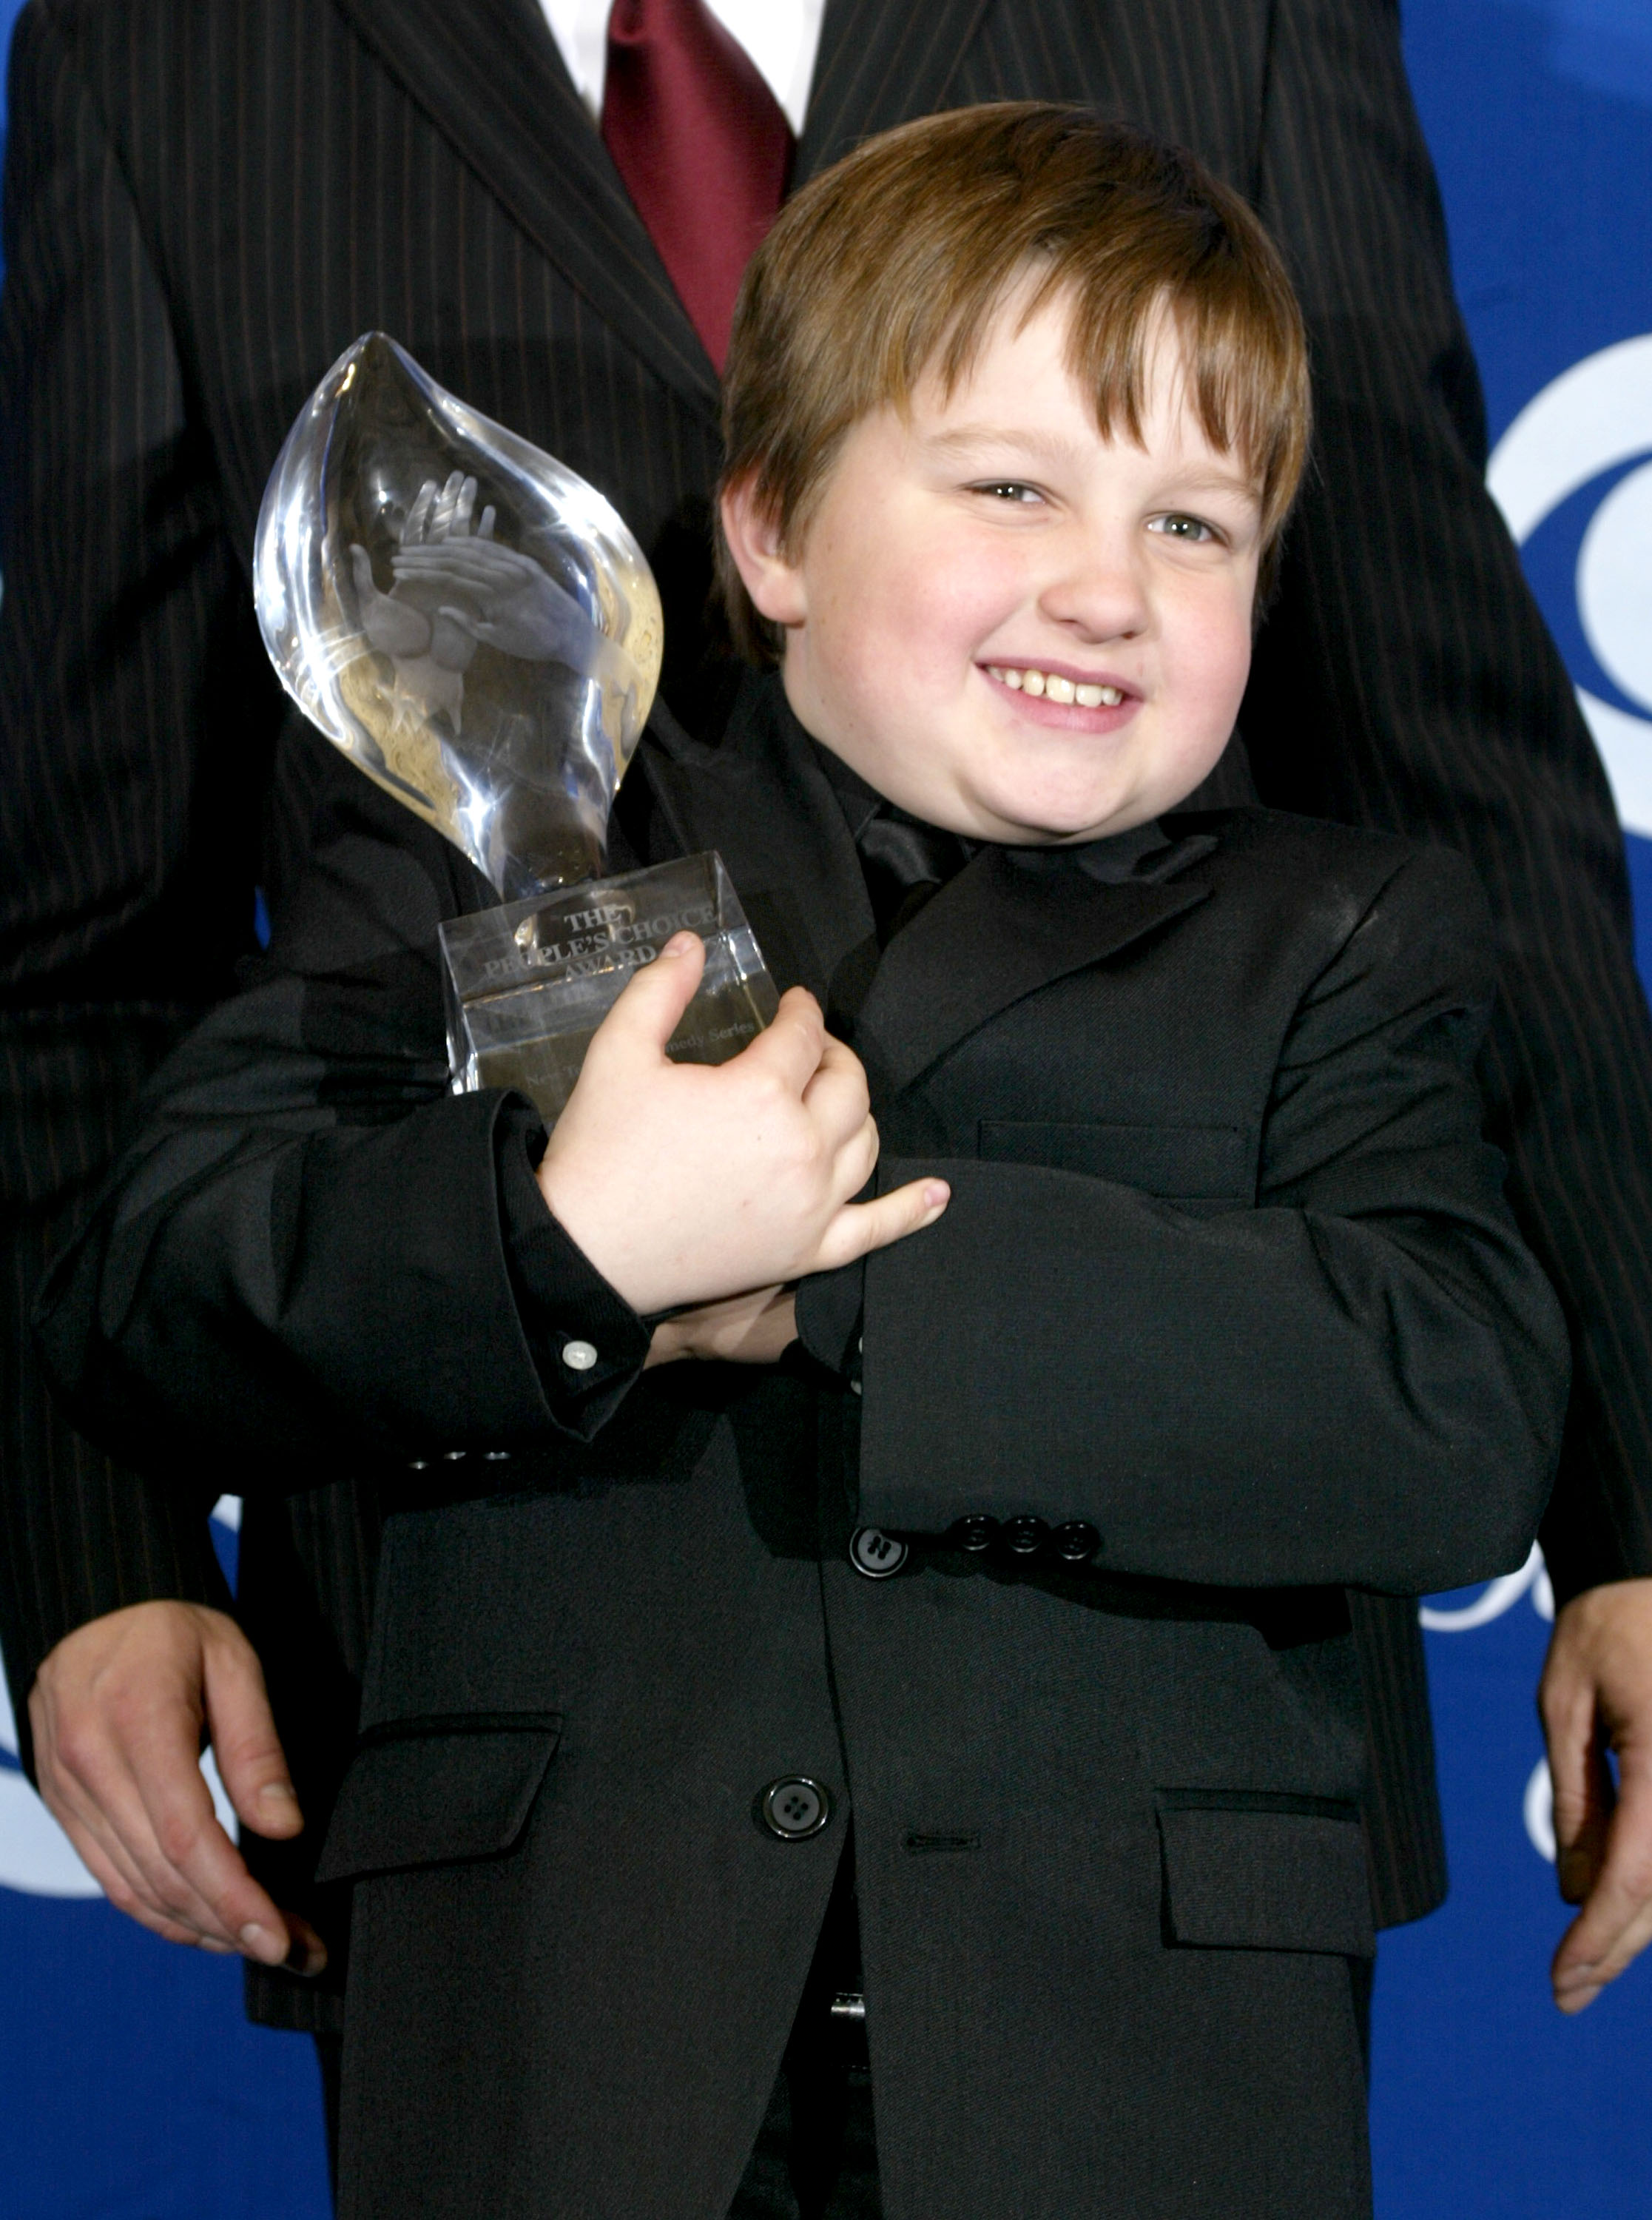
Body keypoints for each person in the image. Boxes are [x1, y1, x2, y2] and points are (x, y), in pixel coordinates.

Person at [2, 0, 1648, 2092]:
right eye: (1004, 489)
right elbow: (82, 931)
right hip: (542, 1800)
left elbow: (1455, 777)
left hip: (1137, 1853)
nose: (1094, 585)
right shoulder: (170, 55)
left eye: (1177, 527)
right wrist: (95, 1555)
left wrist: (1635, 1508)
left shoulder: (1237, 27)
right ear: (771, 527)